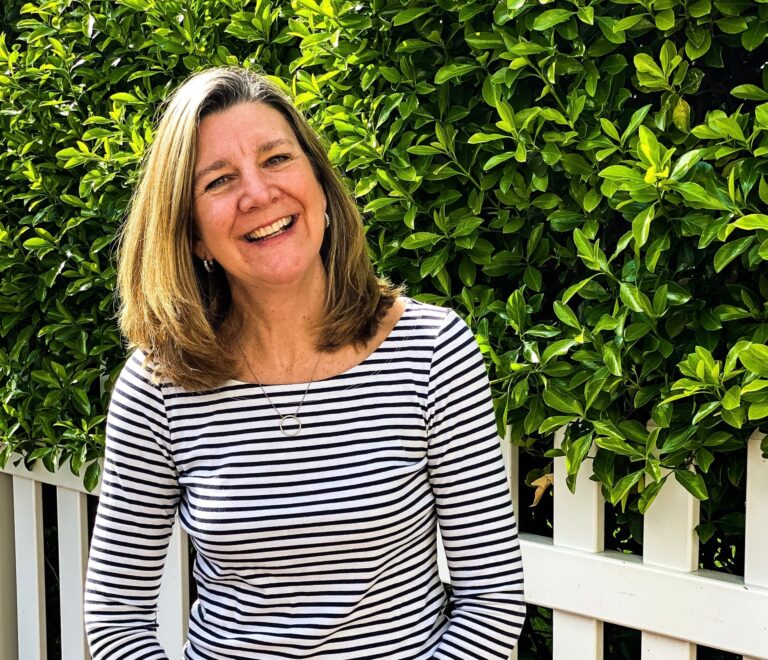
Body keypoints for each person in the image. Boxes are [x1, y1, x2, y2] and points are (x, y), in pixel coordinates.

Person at [84, 67, 525, 659]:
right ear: (190, 234)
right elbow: (116, 616)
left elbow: (491, 599)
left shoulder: (431, 351)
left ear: (318, 180)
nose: (258, 194)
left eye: (276, 159)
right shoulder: (159, 386)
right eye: (218, 181)